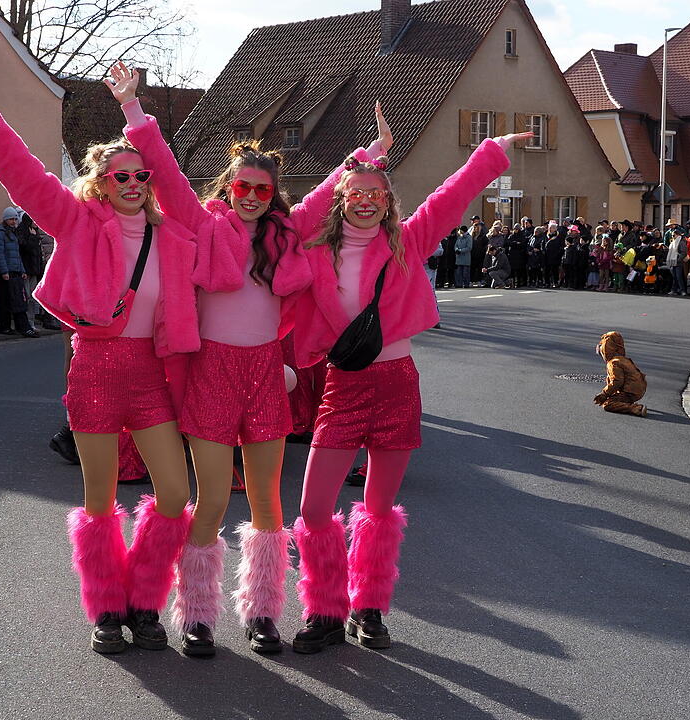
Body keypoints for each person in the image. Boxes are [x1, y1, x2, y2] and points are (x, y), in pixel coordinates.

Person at [116, 61, 390, 656]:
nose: (252, 198)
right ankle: (196, 615)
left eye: (263, 191)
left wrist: (369, 155)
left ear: (273, 196)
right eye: (243, 188)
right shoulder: (202, 225)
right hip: (213, 373)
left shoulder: (285, 234)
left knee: (268, 499)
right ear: (228, 187)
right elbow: (166, 174)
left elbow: (327, 195)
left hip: (266, 373)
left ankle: (262, 612)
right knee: (213, 497)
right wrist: (133, 109)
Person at [0, 75, 198, 655]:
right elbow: (31, 182)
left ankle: (144, 597)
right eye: (120, 177)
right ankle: (107, 606)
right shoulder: (79, 223)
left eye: (141, 176)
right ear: (101, 183)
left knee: (172, 492)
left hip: (150, 374)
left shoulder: (172, 236)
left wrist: (134, 109)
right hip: (94, 370)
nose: (132, 184)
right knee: (99, 496)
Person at [289, 126, 530, 653]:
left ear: (388, 203)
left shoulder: (407, 241)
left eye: (377, 195)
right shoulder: (313, 251)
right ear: (340, 199)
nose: (366, 203)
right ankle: (325, 609)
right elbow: (291, 225)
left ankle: (369, 607)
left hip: (397, 384)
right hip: (343, 385)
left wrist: (491, 152)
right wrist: (365, 153)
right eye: (356, 193)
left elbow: (450, 197)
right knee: (314, 510)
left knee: (378, 508)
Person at [0, 207, 39, 338]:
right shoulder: (0, 234)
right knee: (11, 300)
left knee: (13, 300)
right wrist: (4, 271)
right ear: (5, 219)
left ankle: (9, 326)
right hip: (7, 272)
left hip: (15, 271)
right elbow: (0, 254)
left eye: (15, 219)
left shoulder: (12, 233)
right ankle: (17, 327)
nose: (13, 221)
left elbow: (17, 255)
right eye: (11, 219)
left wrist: (22, 270)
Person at [593, 331, 647, 417]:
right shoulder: (622, 359)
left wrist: (604, 394)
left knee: (608, 404)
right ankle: (626, 401)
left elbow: (617, 381)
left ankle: (636, 408)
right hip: (639, 389)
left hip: (630, 392)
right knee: (613, 395)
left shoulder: (613, 363)